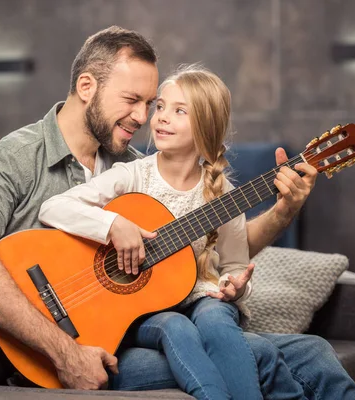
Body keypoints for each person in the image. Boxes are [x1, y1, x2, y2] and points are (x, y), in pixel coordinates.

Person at [0, 26, 355, 399]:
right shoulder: (14, 157)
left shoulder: (135, 163)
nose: (145, 118)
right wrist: (65, 352)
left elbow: (215, 241)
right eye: (134, 101)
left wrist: (283, 211)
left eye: (152, 103)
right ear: (87, 86)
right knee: (260, 356)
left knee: (314, 351)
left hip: (139, 326)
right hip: (61, 344)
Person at [37, 65, 265, 400]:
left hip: (200, 298)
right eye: (160, 107)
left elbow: (233, 267)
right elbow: (53, 208)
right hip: (145, 310)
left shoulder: (224, 196)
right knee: (176, 326)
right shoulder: (132, 176)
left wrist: (234, 288)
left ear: (206, 125)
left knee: (217, 318)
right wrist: (113, 225)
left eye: (179, 111)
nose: (160, 117)